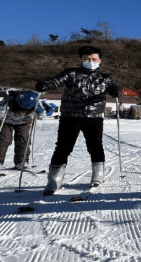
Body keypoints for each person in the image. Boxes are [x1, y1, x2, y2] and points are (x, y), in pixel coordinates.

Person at [35, 46, 122, 195]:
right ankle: (54, 180)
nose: (90, 61)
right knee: (63, 147)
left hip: (93, 117)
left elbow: (112, 86)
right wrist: (44, 84)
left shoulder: (104, 77)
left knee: (95, 146)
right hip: (70, 115)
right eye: (87, 59)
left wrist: (116, 91)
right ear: (81, 60)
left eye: (94, 59)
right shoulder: (70, 73)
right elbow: (55, 81)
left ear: (99, 61)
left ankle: (98, 176)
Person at [0, 90, 48, 169]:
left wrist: (40, 114)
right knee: (3, 140)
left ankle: (21, 162)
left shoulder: (36, 103)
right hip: (7, 122)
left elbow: (42, 115)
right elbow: (0, 113)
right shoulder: (8, 103)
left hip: (24, 122)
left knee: (23, 140)